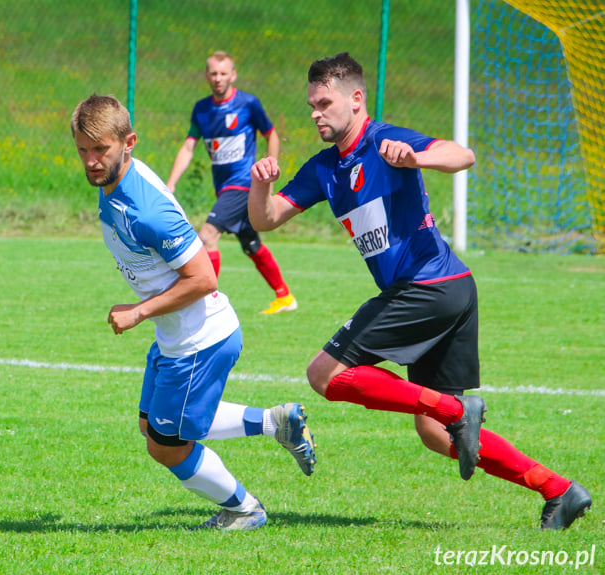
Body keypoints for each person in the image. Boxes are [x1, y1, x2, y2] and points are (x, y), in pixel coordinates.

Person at [248, 52, 592, 530]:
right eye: (311, 104)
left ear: (356, 98)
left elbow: (462, 155)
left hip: (427, 286)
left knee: (325, 375)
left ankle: (457, 409)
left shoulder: (385, 140)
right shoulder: (324, 168)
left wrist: (418, 157)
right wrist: (259, 185)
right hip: (450, 289)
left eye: (324, 103)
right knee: (435, 433)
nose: (314, 113)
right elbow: (265, 219)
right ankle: (559, 491)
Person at [71, 94, 315, 531]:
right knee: (152, 426)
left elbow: (204, 278)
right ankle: (275, 423)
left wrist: (139, 311)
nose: (91, 160)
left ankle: (245, 509)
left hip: (200, 341)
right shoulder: (114, 185)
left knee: (166, 447)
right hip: (176, 336)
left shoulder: (149, 210)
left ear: (128, 142)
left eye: (100, 149)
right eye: (83, 150)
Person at [167, 52, 296, 315]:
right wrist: (170, 184)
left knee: (207, 236)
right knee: (251, 244)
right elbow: (188, 146)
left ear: (233, 75)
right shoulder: (201, 109)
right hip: (224, 188)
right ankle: (284, 296)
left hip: (243, 183)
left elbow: (272, 135)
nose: (218, 78)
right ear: (206, 76)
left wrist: (270, 167)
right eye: (213, 73)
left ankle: (208, 301)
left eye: (223, 73)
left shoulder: (248, 103)